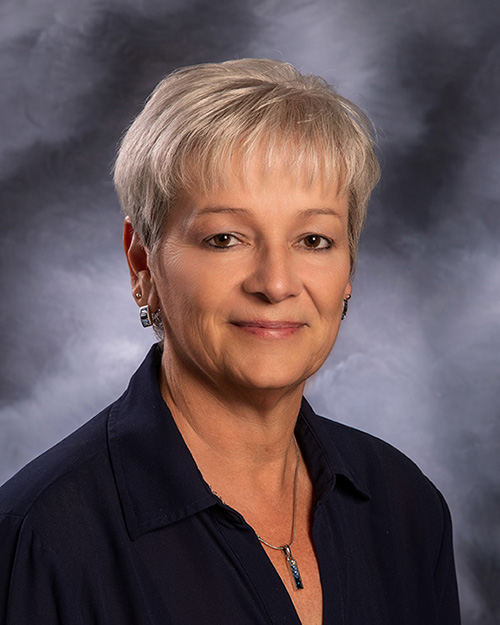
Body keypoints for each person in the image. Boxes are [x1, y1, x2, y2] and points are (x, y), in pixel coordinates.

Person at [0, 59, 460, 625]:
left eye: (313, 239)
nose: (275, 283)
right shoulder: (42, 540)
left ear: (348, 270)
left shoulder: (406, 505)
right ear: (142, 263)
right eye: (225, 239)